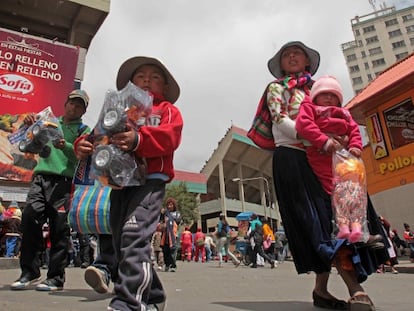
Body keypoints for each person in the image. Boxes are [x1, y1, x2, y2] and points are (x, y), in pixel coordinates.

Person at [248, 41, 388, 310]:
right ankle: (355, 290)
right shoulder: (277, 88)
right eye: (286, 54)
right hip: (294, 158)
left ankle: (320, 290)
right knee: (321, 224)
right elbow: (280, 120)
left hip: (326, 158)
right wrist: (316, 139)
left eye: (297, 53)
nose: (292, 56)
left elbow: (341, 120)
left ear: (307, 62)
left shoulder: (319, 90)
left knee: (337, 218)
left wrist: (343, 142)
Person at [74, 56, 183, 311]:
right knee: (122, 239)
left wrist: (139, 139)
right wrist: (84, 145)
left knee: (135, 235)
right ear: (130, 84)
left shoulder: (167, 109)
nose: (147, 80)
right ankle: (154, 295)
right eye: (140, 76)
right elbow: (97, 135)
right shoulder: (120, 110)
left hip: (150, 182)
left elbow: (171, 137)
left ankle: (128, 303)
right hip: (119, 184)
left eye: (155, 77)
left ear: (164, 88)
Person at [11, 89, 90, 291]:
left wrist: (65, 146)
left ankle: (55, 278)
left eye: (80, 105)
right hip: (40, 177)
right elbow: (26, 143)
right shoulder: (48, 121)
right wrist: (29, 124)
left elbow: (82, 158)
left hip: (64, 183)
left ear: (84, 111)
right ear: (65, 104)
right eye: (72, 103)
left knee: (59, 229)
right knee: (29, 217)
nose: (75, 107)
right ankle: (30, 272)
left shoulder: (84, 130)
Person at [295, 75, 366, 243]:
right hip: (321, 154)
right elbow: (303, 125)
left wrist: (355, 145)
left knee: (353, 189)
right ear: (315, 95)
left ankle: (356, 226)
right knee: (333, 189)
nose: (329, 97)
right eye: (324, 93)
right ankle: (342, 226)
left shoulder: (345, 113)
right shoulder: (310, 107)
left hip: (346, 157)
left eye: (333, 95)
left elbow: (354, 131)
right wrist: (324, 142)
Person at [160, 197, 181, 272]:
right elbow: (161, 221)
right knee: (165, 250)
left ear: (174, 205)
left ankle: (173, 265)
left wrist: (167, 215)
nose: (169, 206)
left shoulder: (177, 213)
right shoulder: (164, 213)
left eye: (171, 205)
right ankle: (167, 264)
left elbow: (178, 221)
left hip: (174, 235)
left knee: (173, 250)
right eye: (168, 205)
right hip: (165, 235)